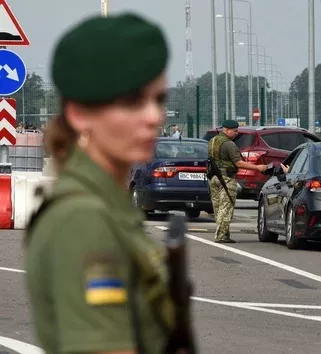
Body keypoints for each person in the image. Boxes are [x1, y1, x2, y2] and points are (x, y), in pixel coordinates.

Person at [24, 13, 192, 354]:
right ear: (79, 114)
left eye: (158, 99)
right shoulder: (84, 219)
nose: (154, 117)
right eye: (131, 101)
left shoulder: (107, 206)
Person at [208, 119, 267, 243]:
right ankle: (221, 235)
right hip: (226, 178)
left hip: (213, 177)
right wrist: (257, 167)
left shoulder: (212, 141)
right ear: (227, 130)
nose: (236, 133)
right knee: (226, 206)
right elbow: (238, 163)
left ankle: (223, 232)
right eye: (235, 131)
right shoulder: (229, 144)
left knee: (218, 207)